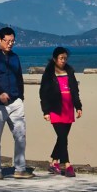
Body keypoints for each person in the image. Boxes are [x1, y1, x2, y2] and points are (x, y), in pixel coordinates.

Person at [0, 27, 30, 179]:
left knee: (20, 136)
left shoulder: (15, 57)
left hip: (15, 101)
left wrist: (21, 96)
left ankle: (20, 168)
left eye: (12, 41)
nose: (10, 44)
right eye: (7, 41)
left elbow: (19, 77)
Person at [38, 46, 83, 177]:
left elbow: (75, 91)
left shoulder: (69, 71)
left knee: (62, 137)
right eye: (61, 58)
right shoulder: (49, 73)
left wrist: (78, 107)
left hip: (68, 109)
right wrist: (45, 111)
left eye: (65, 58)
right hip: (55, 108)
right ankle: (67, 164)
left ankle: (54, 163)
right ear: (54, 59)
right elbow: (43, 93)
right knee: (62, 137)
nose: (63, 61)